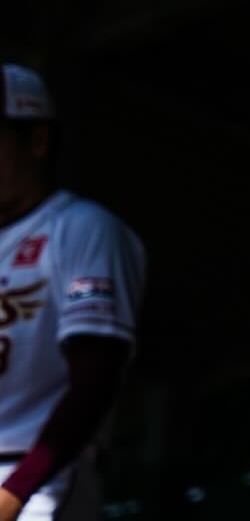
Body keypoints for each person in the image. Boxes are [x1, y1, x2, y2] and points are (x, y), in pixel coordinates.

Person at [0, 66, 147, 521]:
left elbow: (96, 379)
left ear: (37, 142)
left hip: (38, 476)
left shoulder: (80, 226)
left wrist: (14, 494)